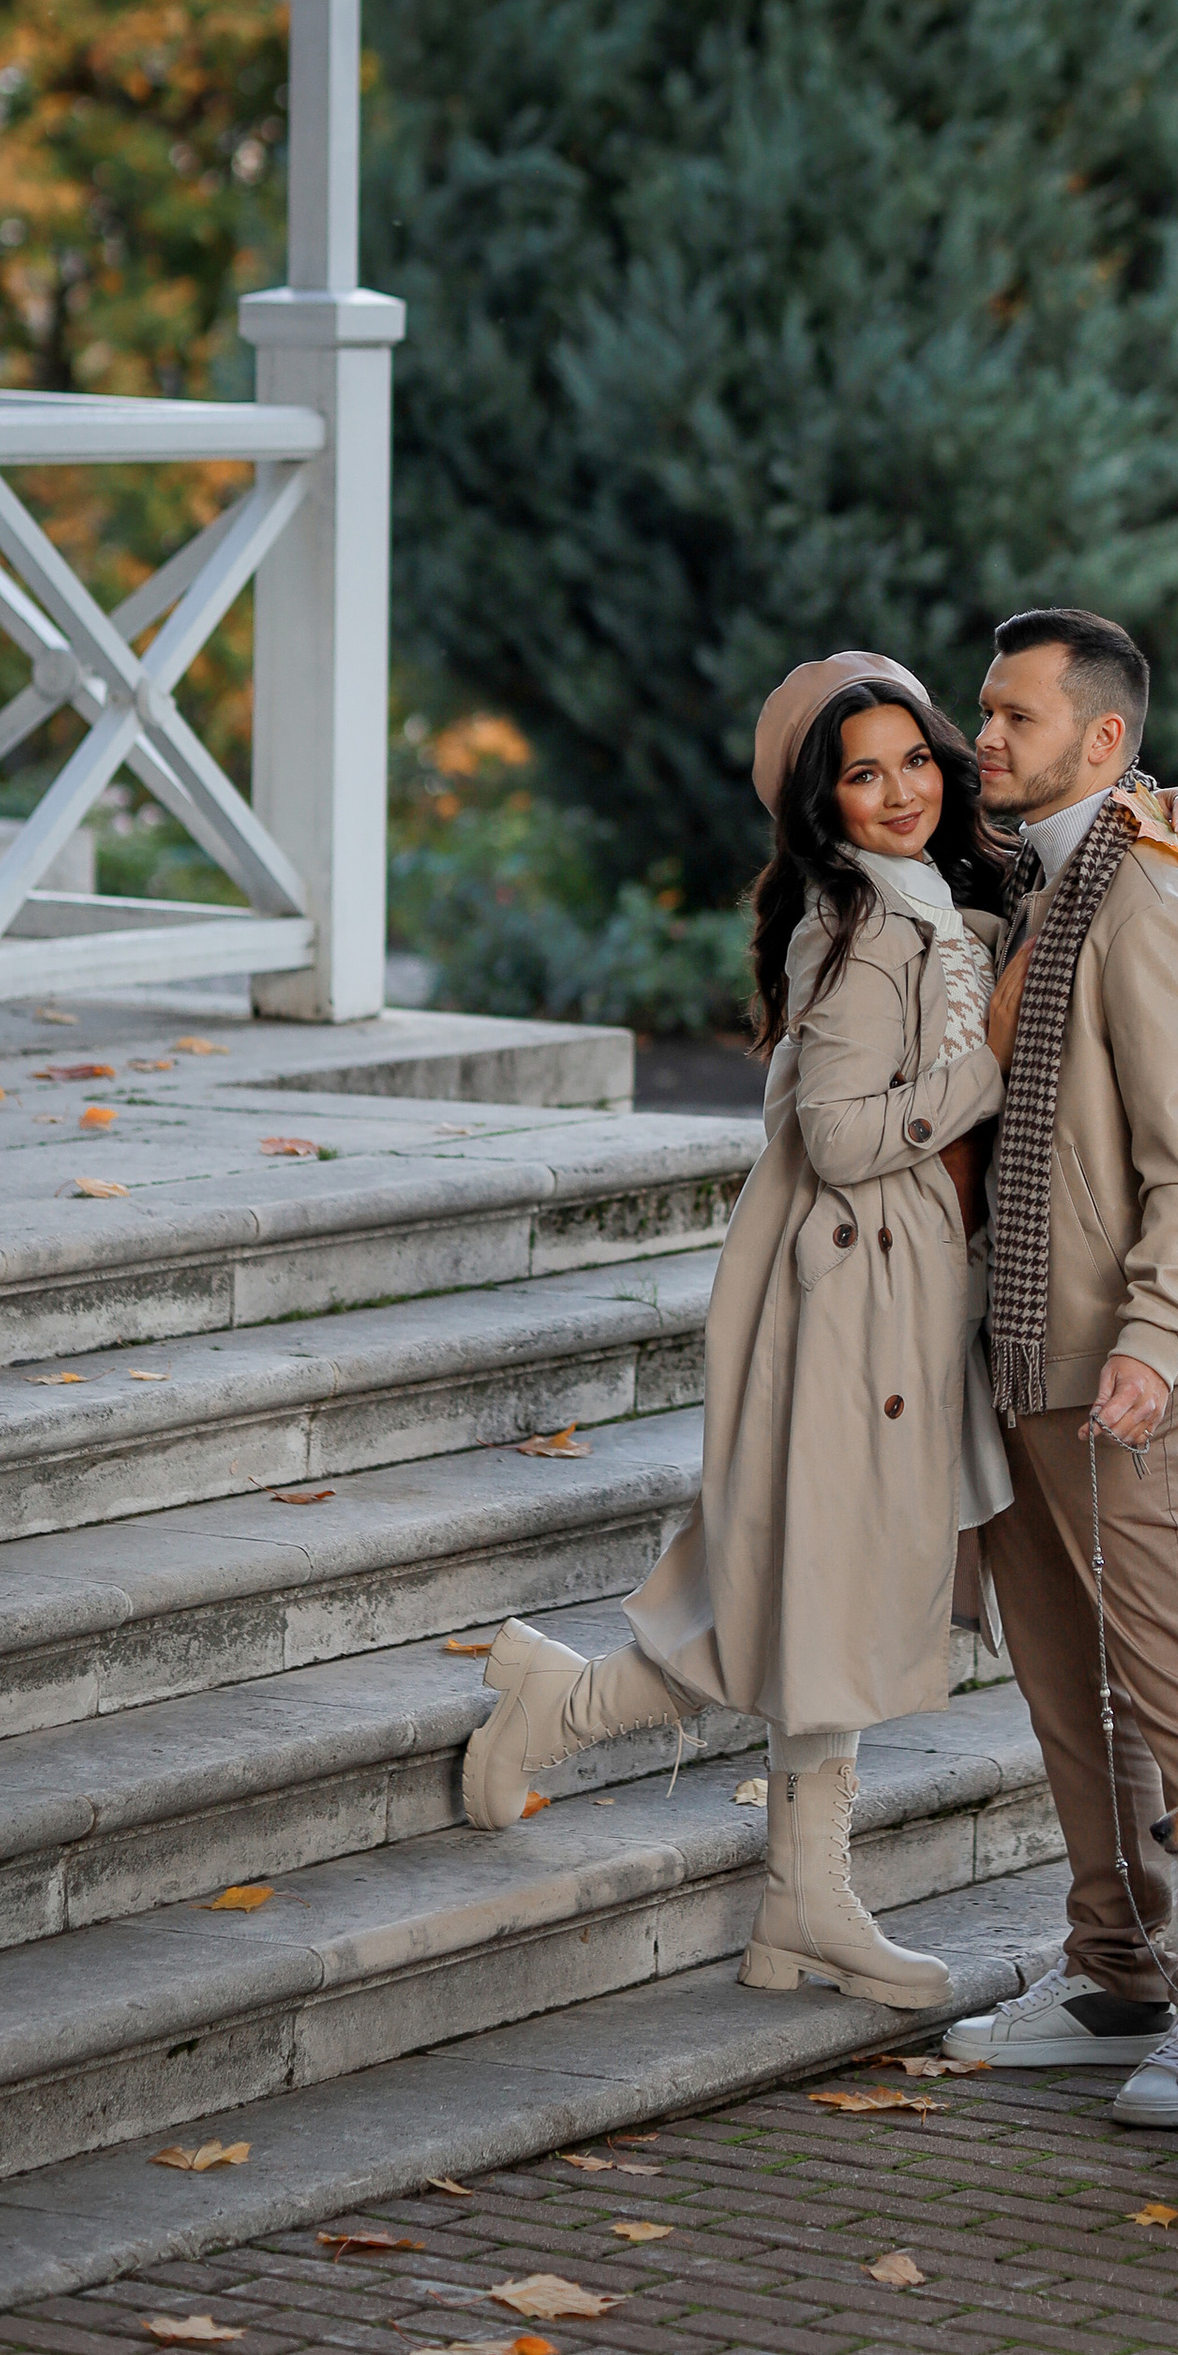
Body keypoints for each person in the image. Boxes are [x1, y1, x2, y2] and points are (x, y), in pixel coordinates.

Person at [461, 652, 1010, 2009]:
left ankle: (793, 1904)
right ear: (822, 803)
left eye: (916, 762)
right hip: (844, 1296)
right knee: (814, 1594)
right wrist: (979, 1076)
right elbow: (830, 1135)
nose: (899, 792)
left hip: (884, 1286)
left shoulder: (926, 905)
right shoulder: (873, 927)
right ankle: (585, 1723)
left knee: (820, 1597)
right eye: (863, 773)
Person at [945, 604, 1178, 2137]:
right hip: (1021, 1351)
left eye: (1013, 717)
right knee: (1072, 1695)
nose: (983, 739)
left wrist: (1150, 1339)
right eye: (983, 712)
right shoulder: (1023, 892)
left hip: (1133, 1370)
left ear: (1105, 737)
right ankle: (1115, 1973)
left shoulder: (1152, 902)